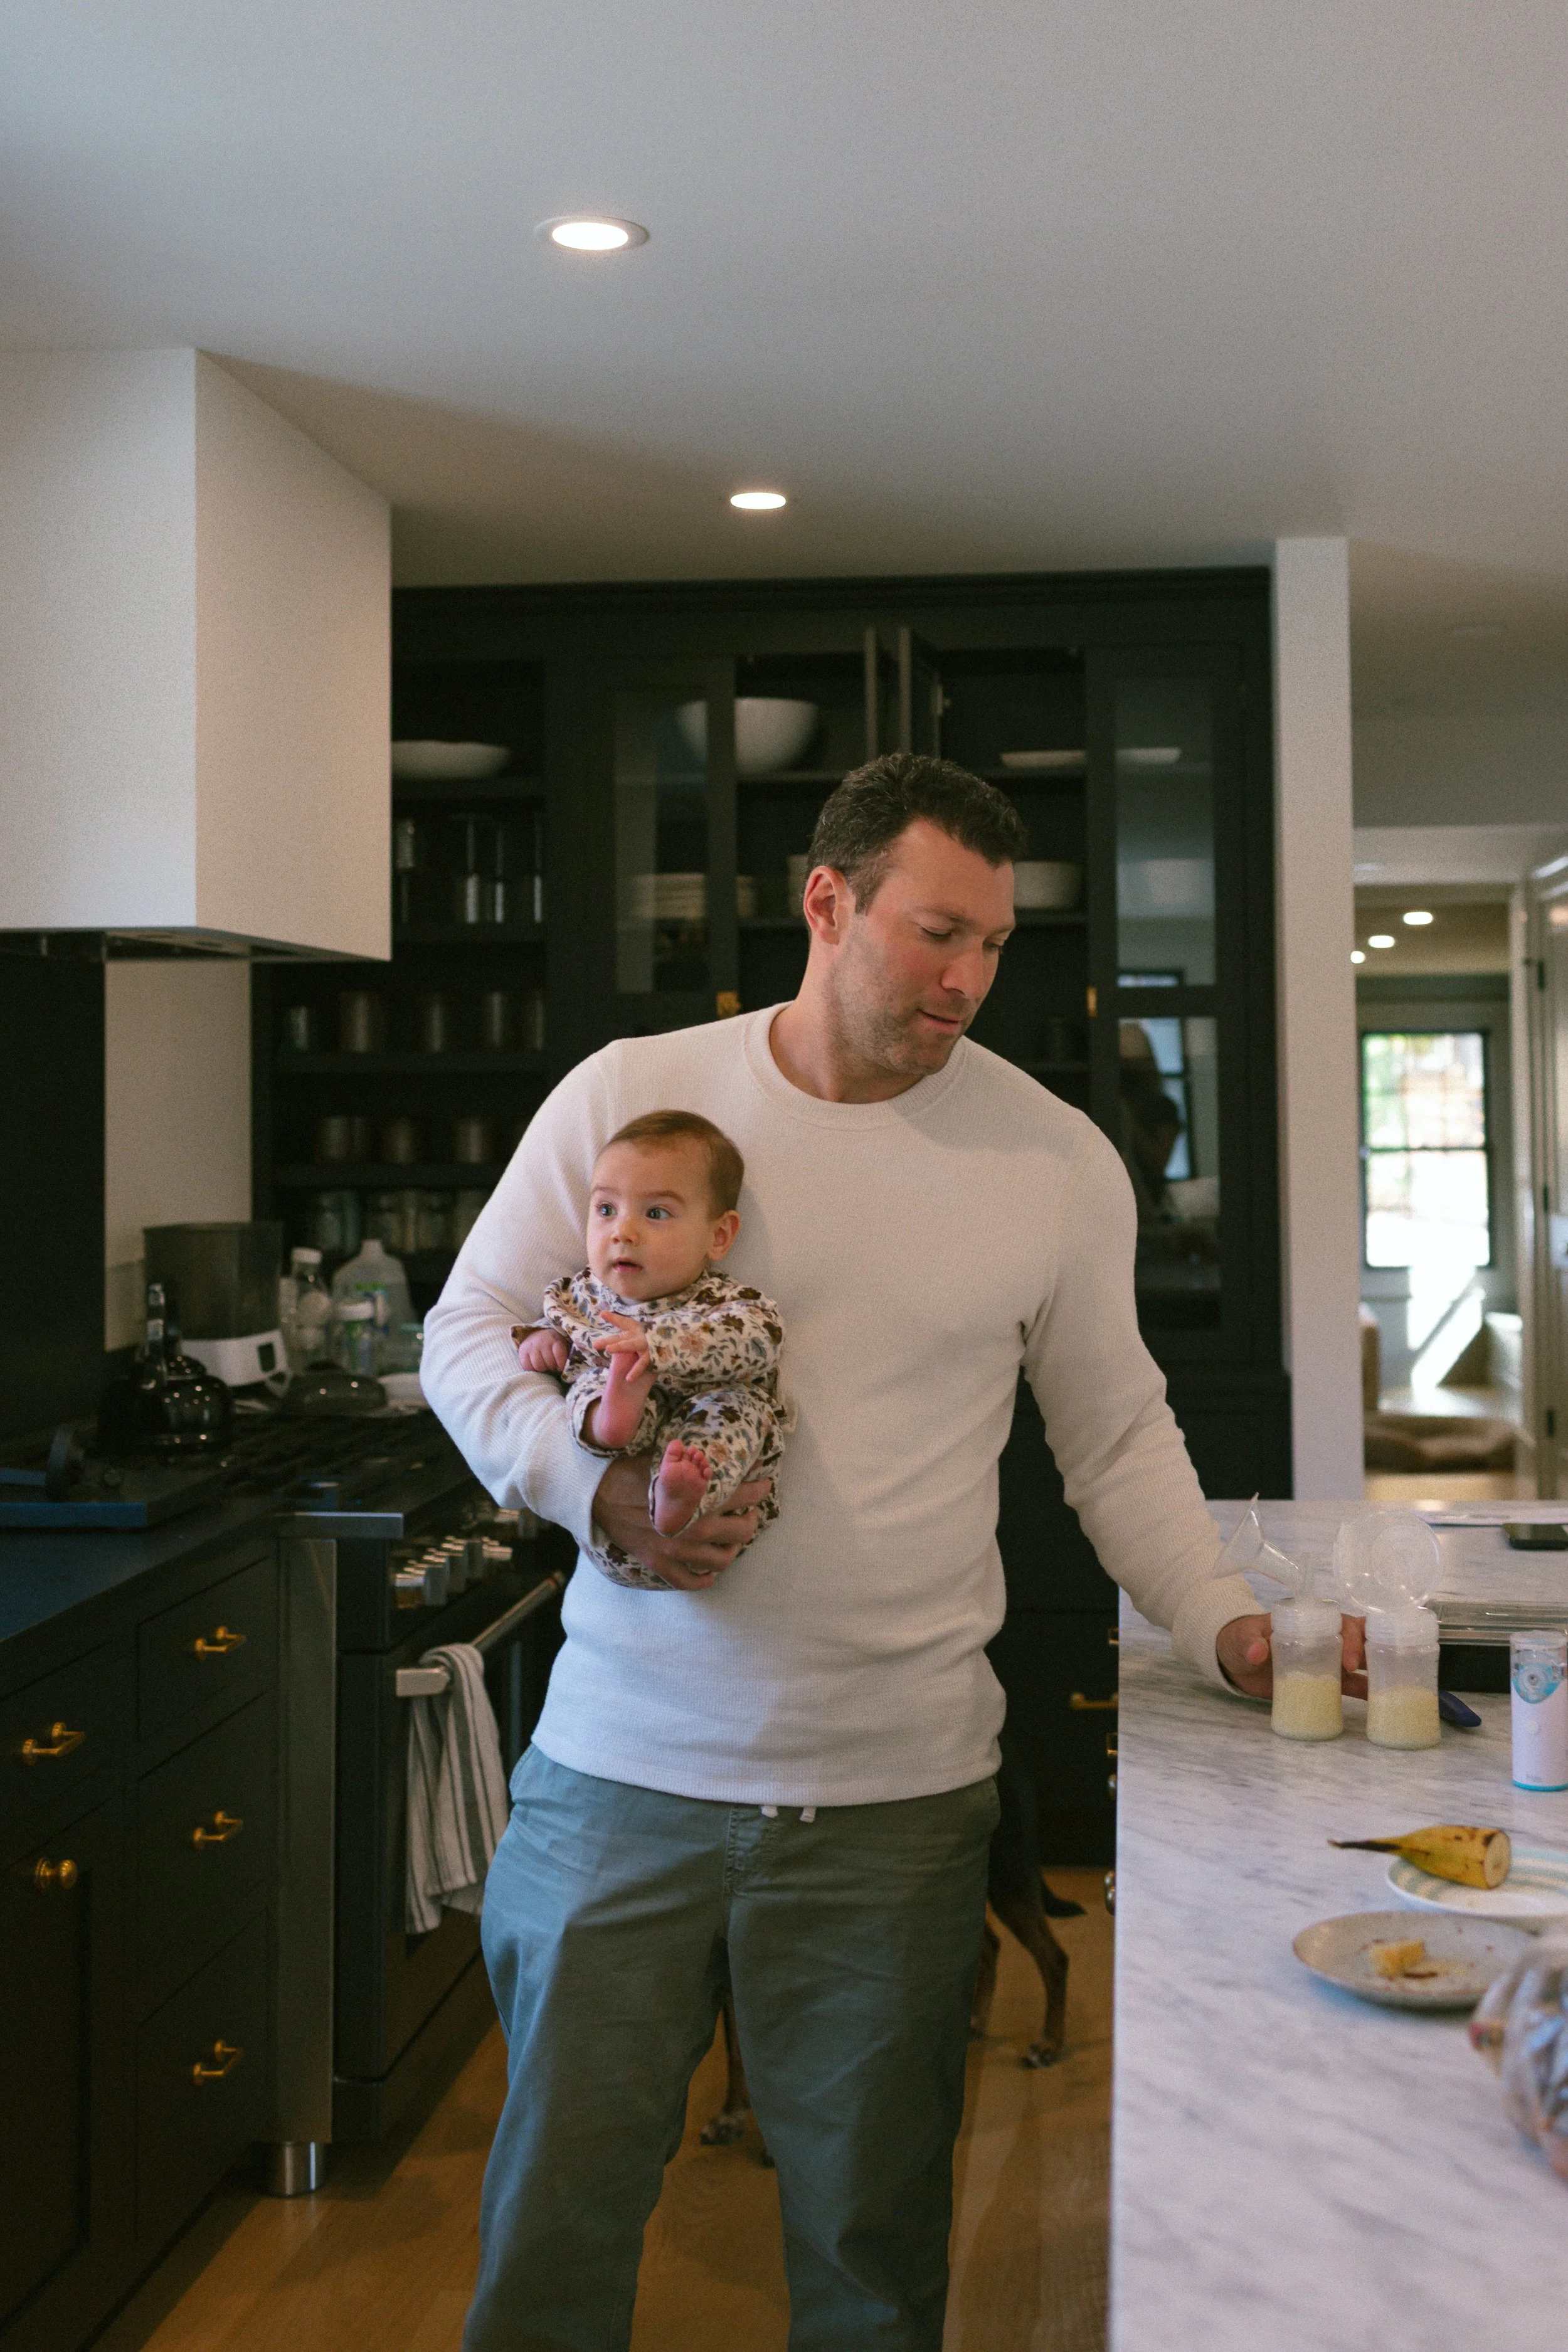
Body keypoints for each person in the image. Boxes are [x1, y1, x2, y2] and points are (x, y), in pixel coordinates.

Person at [422, 753, 1365, 2352]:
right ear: (827, 901)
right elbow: (468, 1332)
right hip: (616, 1774)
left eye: (995, 943)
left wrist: (1226, 1620)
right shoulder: (632, 1093)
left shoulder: (1054, 1157)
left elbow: (1117, 1432)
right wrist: (595, 1493)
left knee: (871, 2264)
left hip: (897, 1801)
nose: (968, 977)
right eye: (937, 931)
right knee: (550, 2241)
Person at [509, 1108, 785, 1586]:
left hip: (706, 1524)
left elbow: (759, 1339)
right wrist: (543, 1339)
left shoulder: (723, 1301)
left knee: (736, 1409)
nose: (623, 1231)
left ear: (718, 1236)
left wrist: (658, 1345)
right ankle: (611, 1420)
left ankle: (680, 1493)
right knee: (589, 1383)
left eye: (656, 1213)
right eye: (606, 1210)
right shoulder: (583, 1294)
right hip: (615, 1529)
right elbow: (553, 1321)